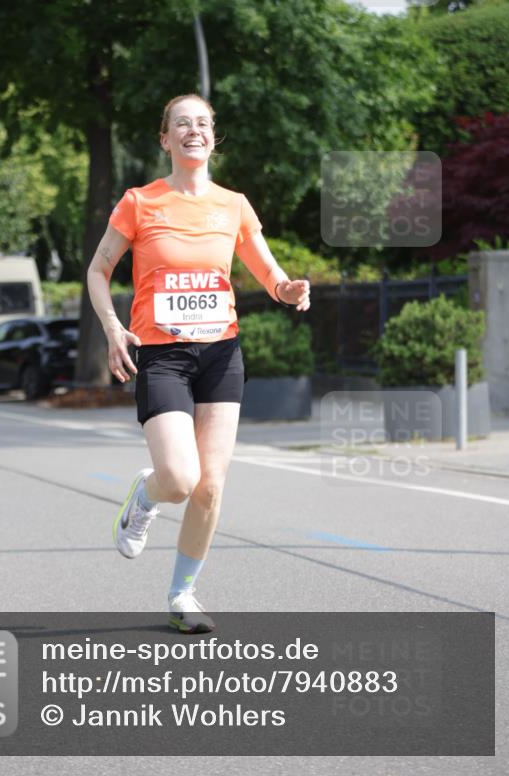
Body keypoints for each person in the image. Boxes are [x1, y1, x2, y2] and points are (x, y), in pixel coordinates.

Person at [87, 94, 310, 634]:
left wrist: (287, 288)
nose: (194, 130)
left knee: (210, 486)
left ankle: (182, 594)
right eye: (182, 123)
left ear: (213, 137)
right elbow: (98, 270)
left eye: (203, 123)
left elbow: (268, 273)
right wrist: (114, 328)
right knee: (180, 479)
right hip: (162, 355)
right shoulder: (140, 202)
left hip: (220, 354)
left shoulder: (233, 205)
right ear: (165, 138)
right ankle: (146, 495)